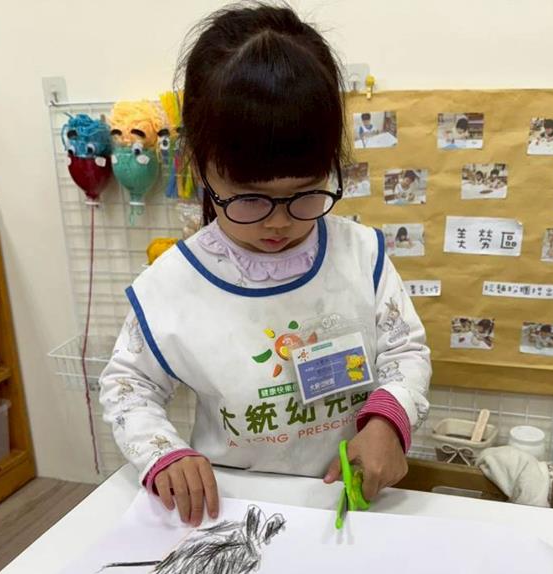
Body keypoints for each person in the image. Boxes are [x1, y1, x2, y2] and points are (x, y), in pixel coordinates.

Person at [100, 4, 431, 526]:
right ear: (200, 168)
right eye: (249, 198)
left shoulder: (360, 255)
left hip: (346, 503)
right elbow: (128, 386)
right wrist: (164, 452)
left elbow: (404, 351)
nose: (279, 222)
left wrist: (389, 419)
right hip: (231, 508)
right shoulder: (172, 284)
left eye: (305, 193)